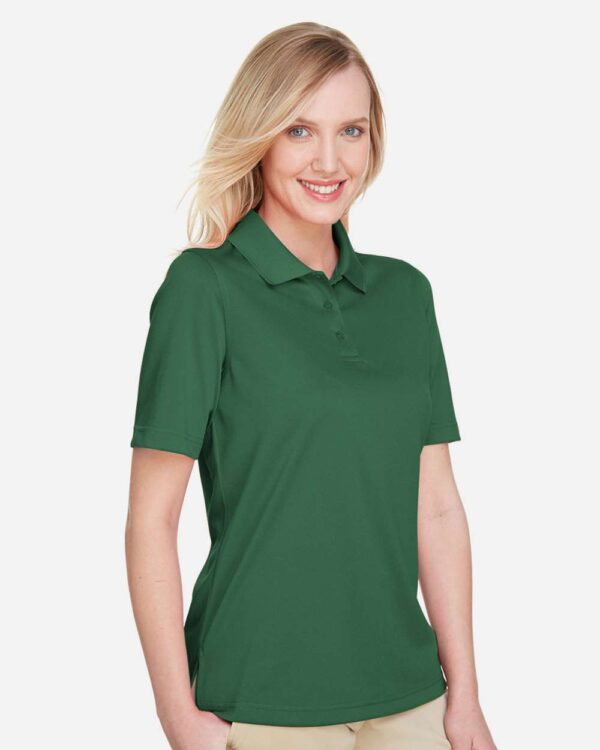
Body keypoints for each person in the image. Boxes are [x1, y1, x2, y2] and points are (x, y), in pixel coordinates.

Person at [126, 21, 497, 750]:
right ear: (259, 136)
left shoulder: (405, 295)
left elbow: (437, 507)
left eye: (350, 130)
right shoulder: (204, 288)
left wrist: (466, 700)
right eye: (299, 130)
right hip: (262, 700)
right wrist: (178, 717)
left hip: (411, 695)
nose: (329, 160)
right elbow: (151, 521)